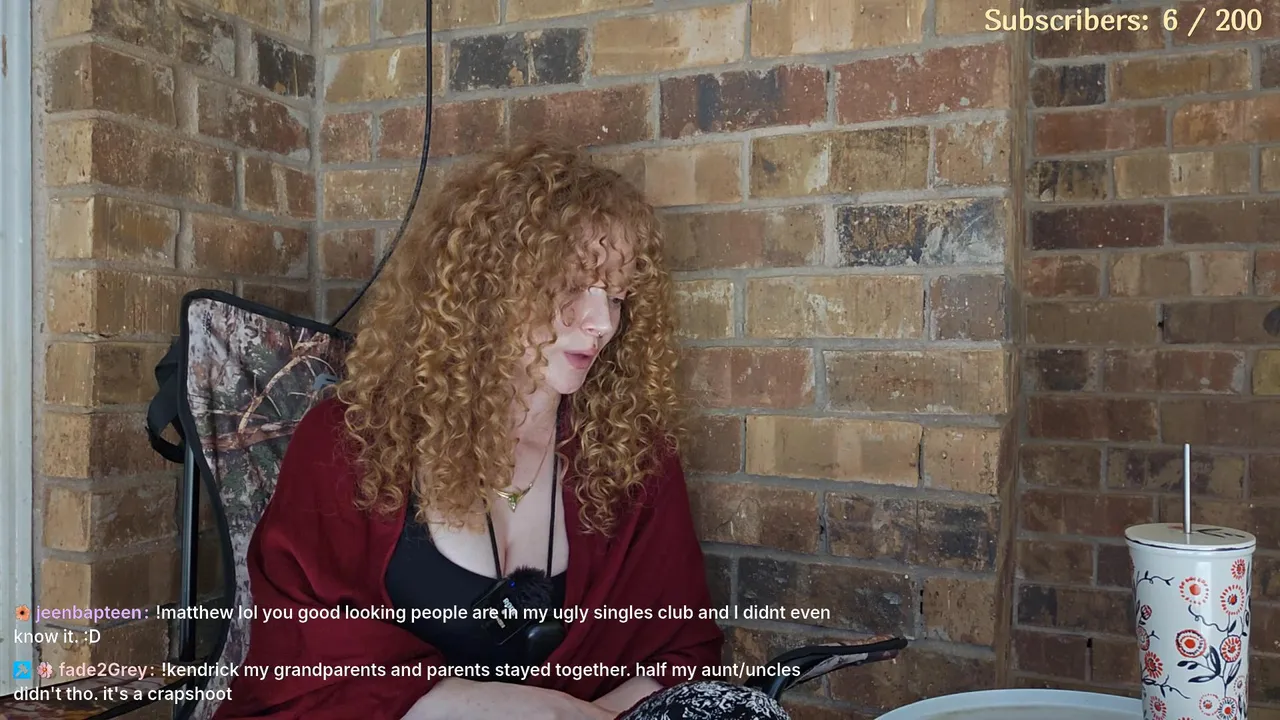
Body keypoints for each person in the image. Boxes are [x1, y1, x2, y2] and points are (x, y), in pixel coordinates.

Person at [210, 137, 791, 720]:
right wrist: (545, 713)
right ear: (487, 288)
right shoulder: (350, 442)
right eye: (571, 287)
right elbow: (302, 671)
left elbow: (680, 652)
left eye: (616, 296)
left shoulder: (631, 456)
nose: (601, 323)